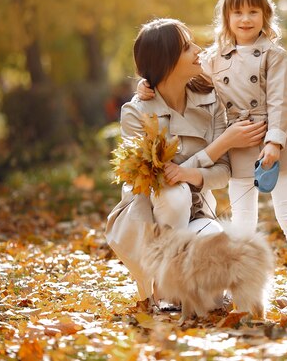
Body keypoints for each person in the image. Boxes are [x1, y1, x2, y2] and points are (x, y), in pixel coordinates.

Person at [138, 0, 287, 309]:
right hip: (236, 148)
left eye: (253, 12)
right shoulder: (215, 56)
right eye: (237, 13)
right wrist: (144, 88)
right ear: (226, 18)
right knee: (242, 223)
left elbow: (281, 100)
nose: (245, 19)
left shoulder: (273, 55)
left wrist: (275, 142)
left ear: (265, 15)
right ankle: (245, 287)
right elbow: (179, 72)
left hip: (269, 144)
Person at [107, 18, 266, 303]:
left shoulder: (210, 100)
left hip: (198, 211)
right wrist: (222, 143)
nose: (197, 50)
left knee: (214, 291)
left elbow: (222, 172)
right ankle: (162, 284)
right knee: (174, 193)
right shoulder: (136, 113)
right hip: (149, 223)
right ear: (166, 61)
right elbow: (156, 181)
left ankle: (176, 288)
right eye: (186, 47)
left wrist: (191, 171)